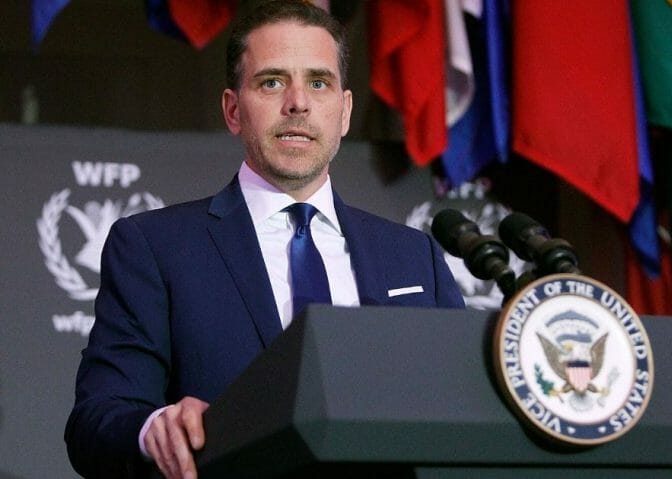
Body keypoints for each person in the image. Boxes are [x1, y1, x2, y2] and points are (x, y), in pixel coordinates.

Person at [64, 2, 465, 478]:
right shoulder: (155, 247)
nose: (298, 102)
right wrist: (154, 427)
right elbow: (96, 421)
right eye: (272, 82)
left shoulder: (413, 256)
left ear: (344, 111)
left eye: (319, 82)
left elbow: (459, 409)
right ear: (233, 110)